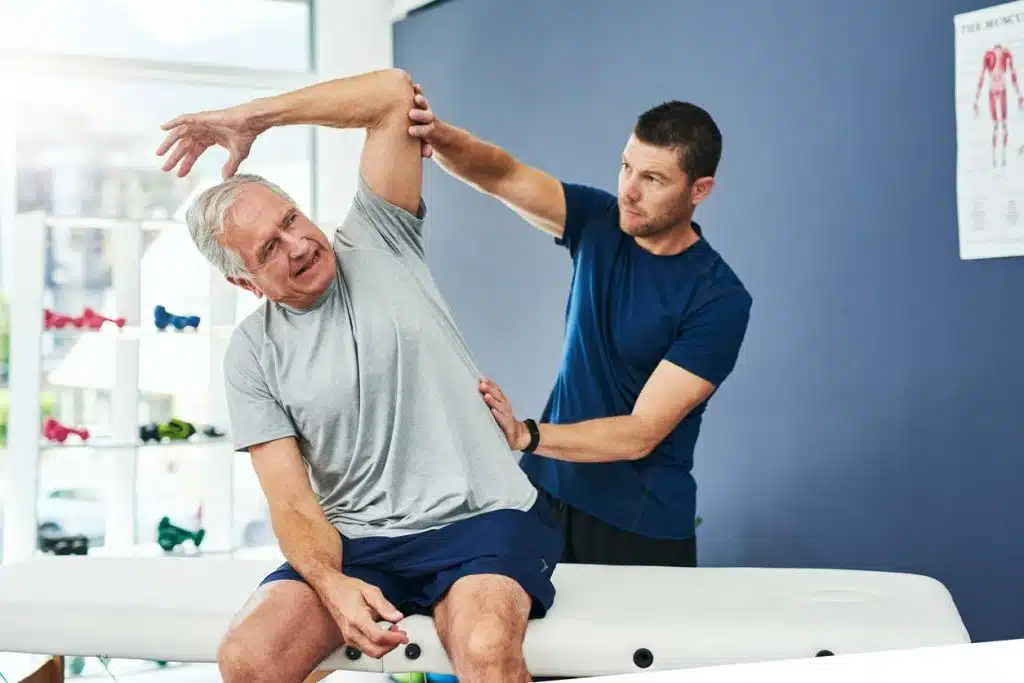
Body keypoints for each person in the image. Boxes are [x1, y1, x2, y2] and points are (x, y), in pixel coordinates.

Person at [155, 68, 562, 683]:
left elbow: (392, 95)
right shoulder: (252, 355)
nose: (296, 244)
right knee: (247, 658)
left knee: (483, 648)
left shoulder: (379, 236)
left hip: (479, 519)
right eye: (267, 250)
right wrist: (331, 582)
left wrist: (251, 119)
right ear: (245, 283)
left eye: (291, 220)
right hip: (358, 542)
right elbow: (291, 503)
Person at [407, 88, 752, 569]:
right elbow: (502, 174)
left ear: (699, 190)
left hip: (637, 524)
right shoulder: (600, 222)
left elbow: (640, 433)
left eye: (652, 178)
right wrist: (436, 135)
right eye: (626, 166)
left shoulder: (719, 299)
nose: (629, 190)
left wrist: (526, 435)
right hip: (544, 494)